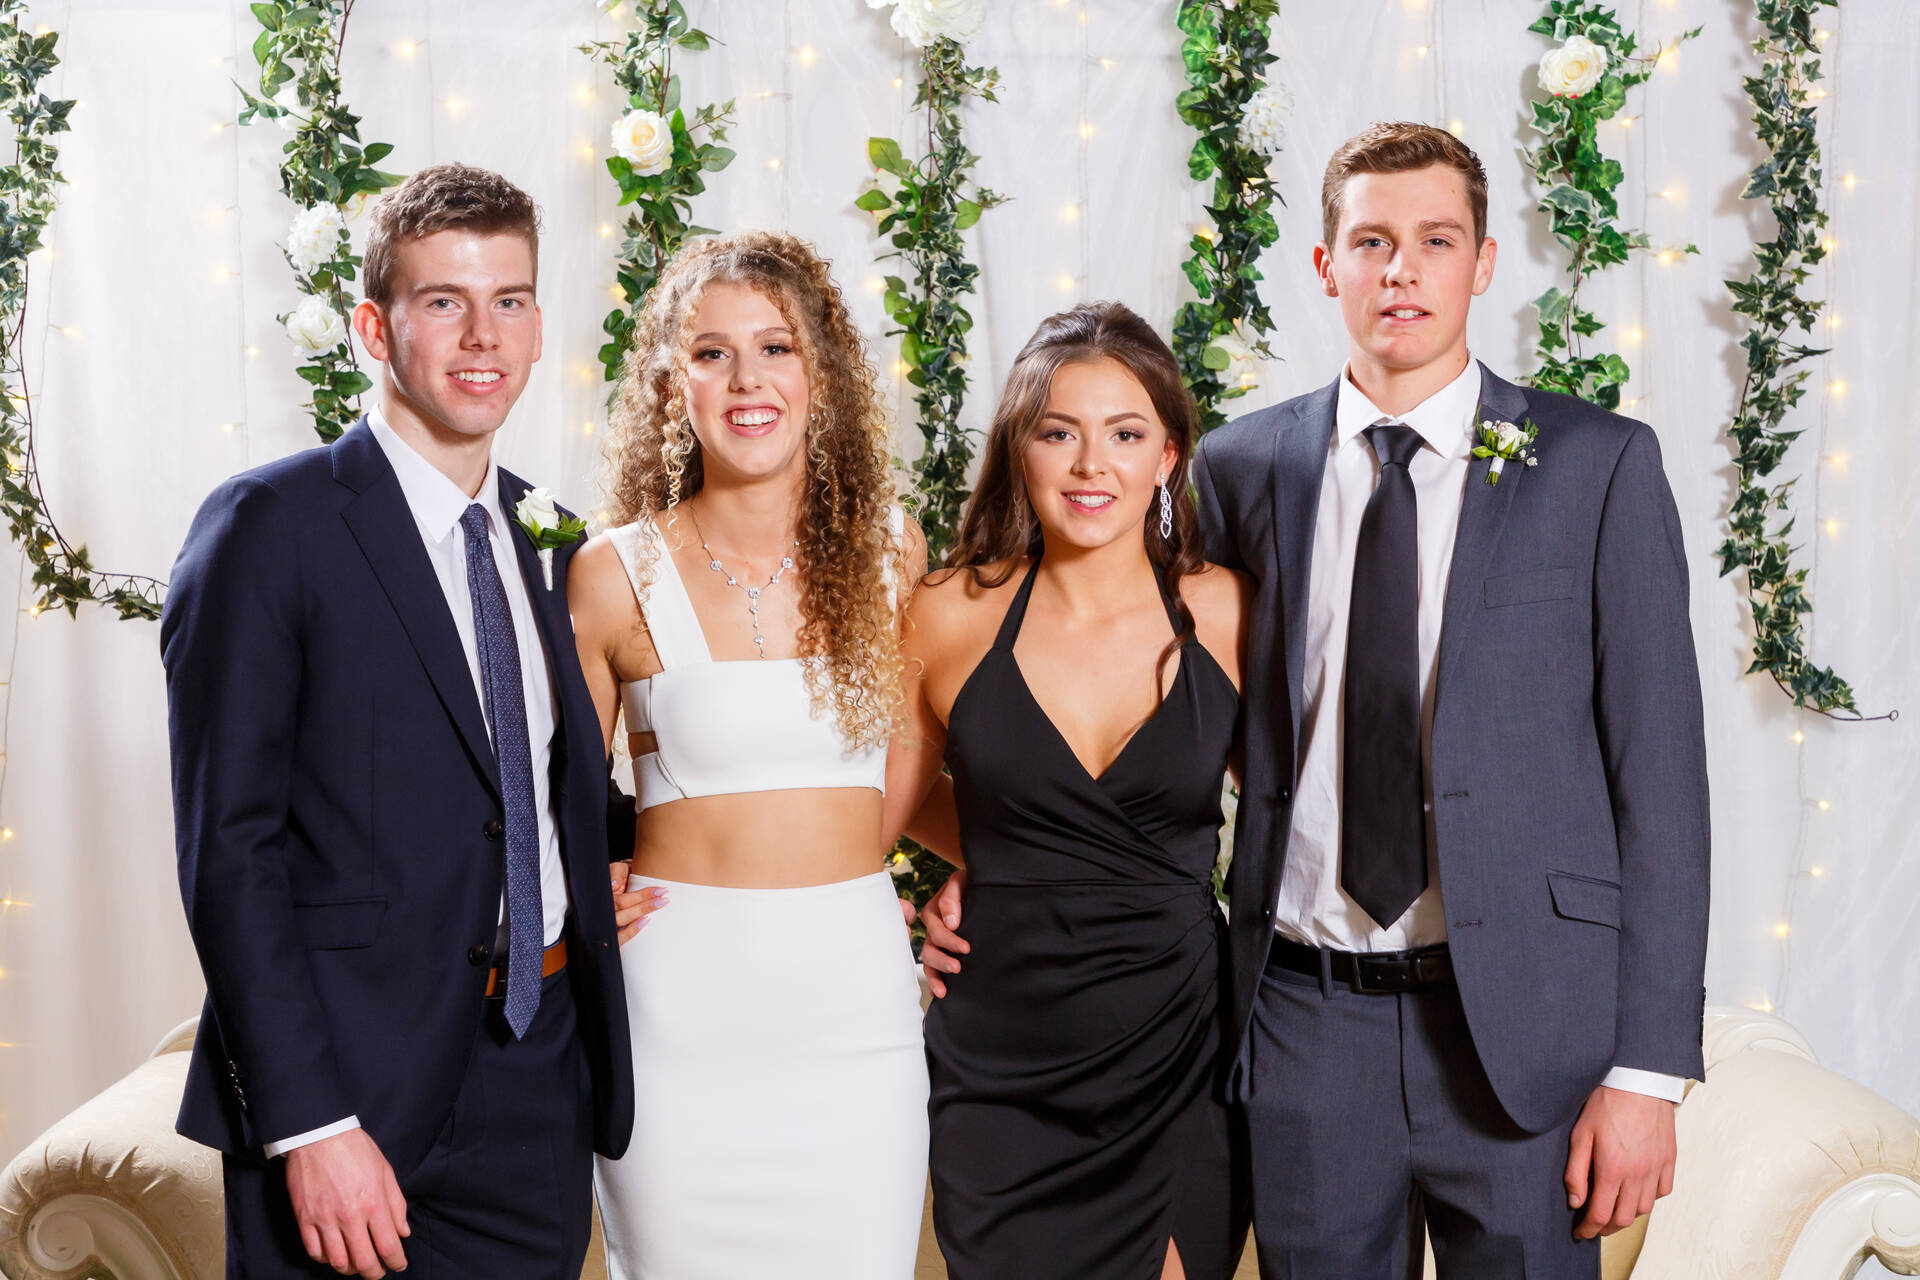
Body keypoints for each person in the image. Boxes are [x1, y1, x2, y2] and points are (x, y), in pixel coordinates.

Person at [927, 121, 1711, 1278]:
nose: (1402, 271)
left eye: (1436, 240)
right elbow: (1141, 688)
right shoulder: (1243, 468)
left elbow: (1664, 785)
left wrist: (1646, 1070)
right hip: (1302, 1024)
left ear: (1484, 262)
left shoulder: (1598, 467)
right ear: (1325, 264)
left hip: (1520, 1033)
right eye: (1372, 241)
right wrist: (996, 859)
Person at [161, 164, 641, 1279]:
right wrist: (310, 1124)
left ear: (537, 326)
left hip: (539, 1073)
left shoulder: (549, 534)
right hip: (351, 1098)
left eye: (510, 300)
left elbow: (540, 784)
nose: (484, 336)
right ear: (376, 327)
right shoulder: (267, 528)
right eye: (444, 302)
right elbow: (228, 851)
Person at [569, 231, 930, 1279]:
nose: (747, 380)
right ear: (670, 381)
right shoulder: (610, 574)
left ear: (821, 372)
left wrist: (969, 880)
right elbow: (551, 792)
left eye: (775, 347)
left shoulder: (893, 552)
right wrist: (585, 880)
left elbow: (913, 760)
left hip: (855, 1013)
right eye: (711, 353)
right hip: (679, 1020)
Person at [892, 302, 1254, 1279]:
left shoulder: (1223, 610)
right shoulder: (949, 610)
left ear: (1167, 456)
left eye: (1125, 435)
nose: (1093, 465)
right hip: (1000, 1067)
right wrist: (992, 858)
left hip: (1179, 1046)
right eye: (1059, 433)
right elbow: (880, 808)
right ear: (1020, 449)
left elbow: (1295, 816)